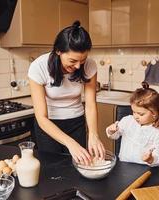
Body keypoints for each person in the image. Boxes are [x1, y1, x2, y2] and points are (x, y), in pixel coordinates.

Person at [28, 21, 105, 165]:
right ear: (58, 51)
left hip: (76, 123)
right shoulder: (38, 67)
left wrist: (94, 134)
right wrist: (70, 143)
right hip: (49, 126)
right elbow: (41, 117)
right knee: (53, 170)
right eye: (72, 60)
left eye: (82, 61)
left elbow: (90, 104)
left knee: (77, 166)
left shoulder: (90, 65)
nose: (77, 66)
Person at [106, 82, 159, 166]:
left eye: (141, 114)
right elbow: (115, 135)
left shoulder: (158, 134)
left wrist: (151, 159)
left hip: (144, 169)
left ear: (154, 113)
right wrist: (111, 131)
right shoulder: (127, 121)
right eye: (134, 112)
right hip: (123, 165)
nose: (136, 116)